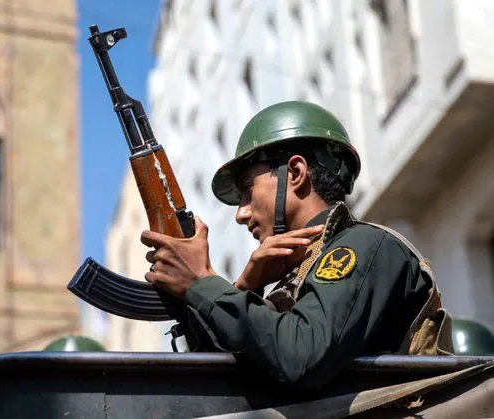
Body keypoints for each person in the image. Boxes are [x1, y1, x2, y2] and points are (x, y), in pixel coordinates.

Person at [141, 100, 454, 389]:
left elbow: (301, 356)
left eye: (249, 190)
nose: (241, 213)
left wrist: (202, 282)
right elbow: (222, 379)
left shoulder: (362, 246)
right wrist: (245, 287)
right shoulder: (300, 272)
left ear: (295, 173)